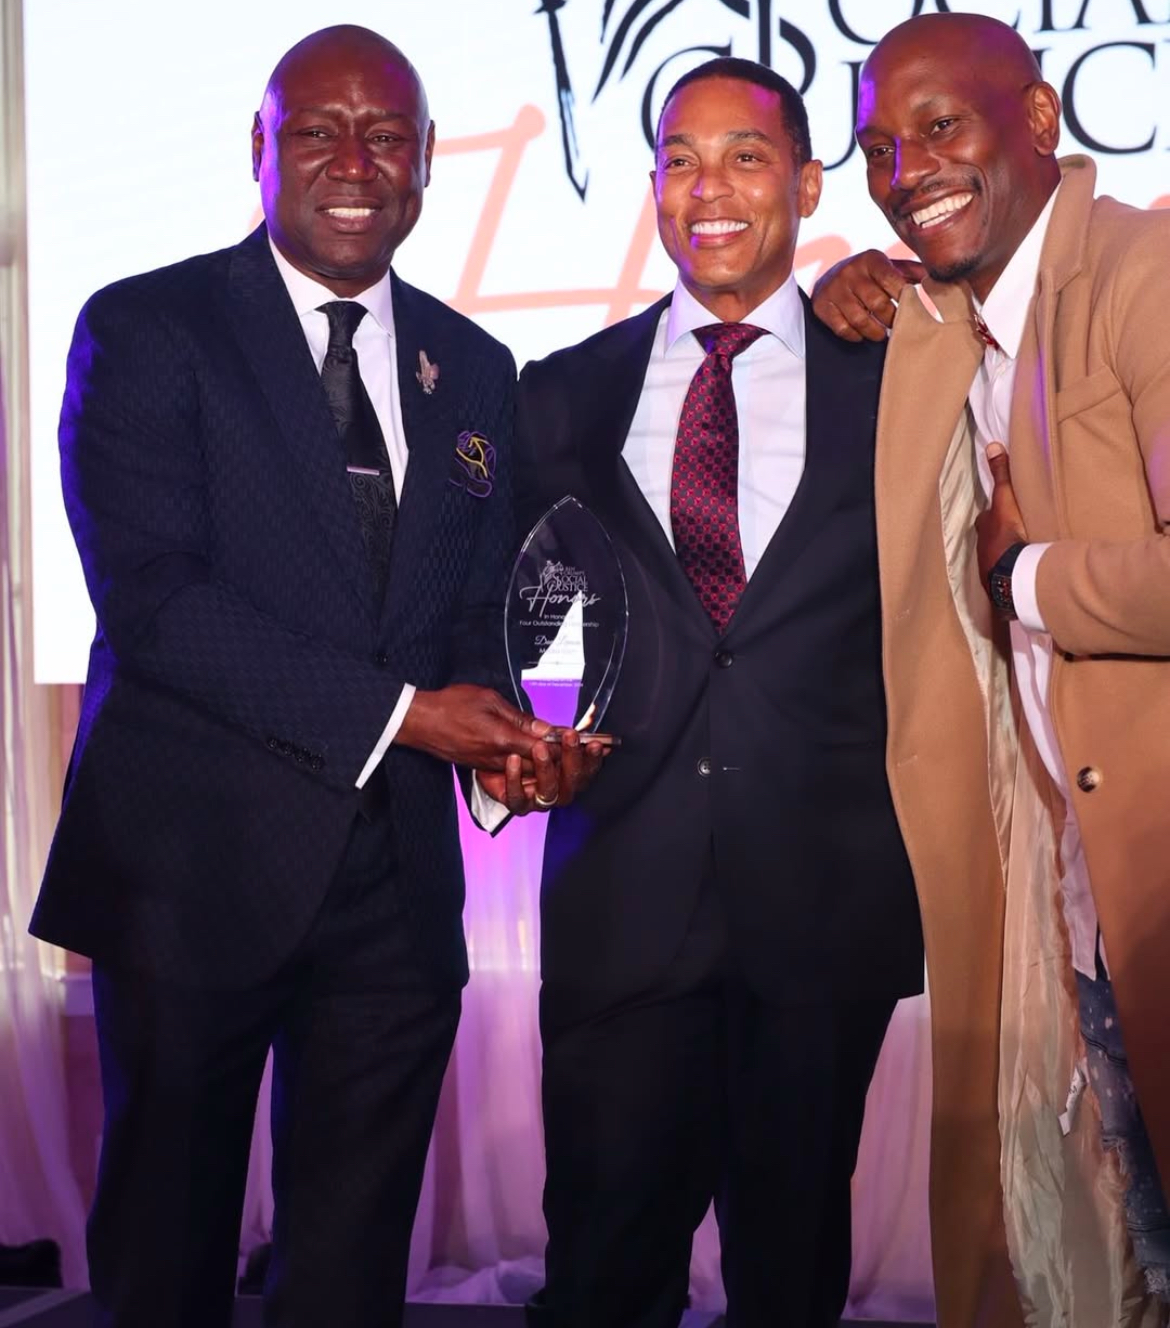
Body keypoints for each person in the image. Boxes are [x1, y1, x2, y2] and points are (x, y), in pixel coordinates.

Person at [30, 25, 596, 1328]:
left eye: (384, 135)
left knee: (350, 1269)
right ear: (260, 148)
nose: (353, 161)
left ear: (427, 161)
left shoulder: (472, 365)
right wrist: (412, 718)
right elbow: (158, 605)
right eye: (319, 132)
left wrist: (506, 748)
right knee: (166, 1255)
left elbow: (469, 614)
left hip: (394, 894)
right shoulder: (148, 326)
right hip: (191, 872)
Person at [516, 57, 924, 1328]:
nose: (711, 189)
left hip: (826, 895)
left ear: (807, 182)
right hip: (623, 894)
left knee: (790, 1271)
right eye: (680, 161)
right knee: (602, 1268)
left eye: (746, 156)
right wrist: (510, 730)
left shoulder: (902, 371)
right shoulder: (562, 391)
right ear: (652, 189)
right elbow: (509, 607)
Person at [813, 12, 1170, 1324]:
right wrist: (839, 286)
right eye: (877, 148)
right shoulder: (954, 316)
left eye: (938, 127)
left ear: (1036, 120)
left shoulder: (1141, 270)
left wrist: (1020, 578)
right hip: (1081, 898)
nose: (905, 169)